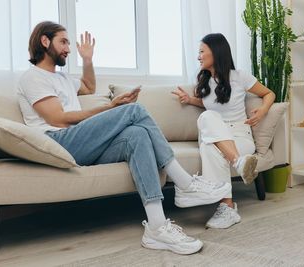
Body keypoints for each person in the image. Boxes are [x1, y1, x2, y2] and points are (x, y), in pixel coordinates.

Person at [17, 21, 232, 255]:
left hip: (82, 145)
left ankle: (157, 227)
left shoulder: (63, 78)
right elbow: (58, 119)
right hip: (60, 141)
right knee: (135, 111)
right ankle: (186, 184)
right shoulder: (33, 77)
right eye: (64, 42)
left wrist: (87, 59)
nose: (68, 48)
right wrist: (110, 107)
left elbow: (88, 86)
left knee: (136, 135)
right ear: (45, 41)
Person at [172, 33, 275, 229]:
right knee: (208, 118)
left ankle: (226, 206)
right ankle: (239, 163)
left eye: (202, 51)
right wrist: (190, 100)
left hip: (239, 136)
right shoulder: (204, 81)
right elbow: (208, 105)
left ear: (216, 51)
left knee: (211, 147)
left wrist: (262, 111)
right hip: (215, 134)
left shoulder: (240, 77)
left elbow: (269, 93)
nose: (198, 56)